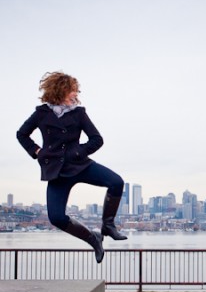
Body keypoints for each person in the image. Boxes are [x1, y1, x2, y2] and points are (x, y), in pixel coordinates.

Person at [17, 71, 127, 263]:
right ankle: (93, 238)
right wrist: (37, 152)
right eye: (72, 91)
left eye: (76, 91)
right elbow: (22, 134)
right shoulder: (41, 113)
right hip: (56, 172)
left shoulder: (78, 113)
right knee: (56, 218)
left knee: (116, 182)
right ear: (60, 91)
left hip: (80, 164)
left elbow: (96, 139)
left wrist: (76, 153)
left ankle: (108, 226)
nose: (75, 94)